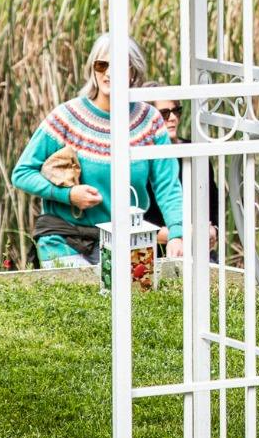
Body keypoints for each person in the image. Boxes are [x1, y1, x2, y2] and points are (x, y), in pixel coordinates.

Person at [11, 34, 186, 268]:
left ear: (133, 71)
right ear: (93, 69)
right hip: (65, 239)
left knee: (140, 298)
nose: (109, 72)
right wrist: (69, 195)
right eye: (102, 64)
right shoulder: (66, 117)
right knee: (81, 300)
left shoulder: (149, 120)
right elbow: (21, 173)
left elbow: (168, 185)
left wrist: (177, 233)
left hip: (126, 239)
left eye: (119, 65)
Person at [141, 95, 220, 259]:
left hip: (198, 249)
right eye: (164, 113)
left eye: (176, 111)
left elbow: (213, 203)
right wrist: (182, 234)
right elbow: (139, 221)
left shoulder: (196, 151)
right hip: (154, 251)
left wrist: (213, 229)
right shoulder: (141, 161)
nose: (172, 118)